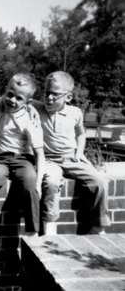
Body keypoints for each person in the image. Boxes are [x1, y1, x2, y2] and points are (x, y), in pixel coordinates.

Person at [0, 73, 45, 258]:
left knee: (29, 184)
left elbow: (39, 153)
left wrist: (39, 181)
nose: (12, 100)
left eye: (19, 98)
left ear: (28, 102)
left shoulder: (29, 119)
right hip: (0, 159)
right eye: (9, 94)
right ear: (5, 91)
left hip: (23, 159)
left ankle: (33, 231)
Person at [32, 71, 110, 236]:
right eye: (47, 92)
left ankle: (98, 225)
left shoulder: (75, 113)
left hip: (71, 159)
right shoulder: (36, 108)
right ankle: (49, 225)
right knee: (51, 182)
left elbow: (81, 134)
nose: (49, 97)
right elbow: (15, 97)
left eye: (55, 94)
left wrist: (80, 152)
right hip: (49, 161)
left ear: (68, 97)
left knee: (100, 181)